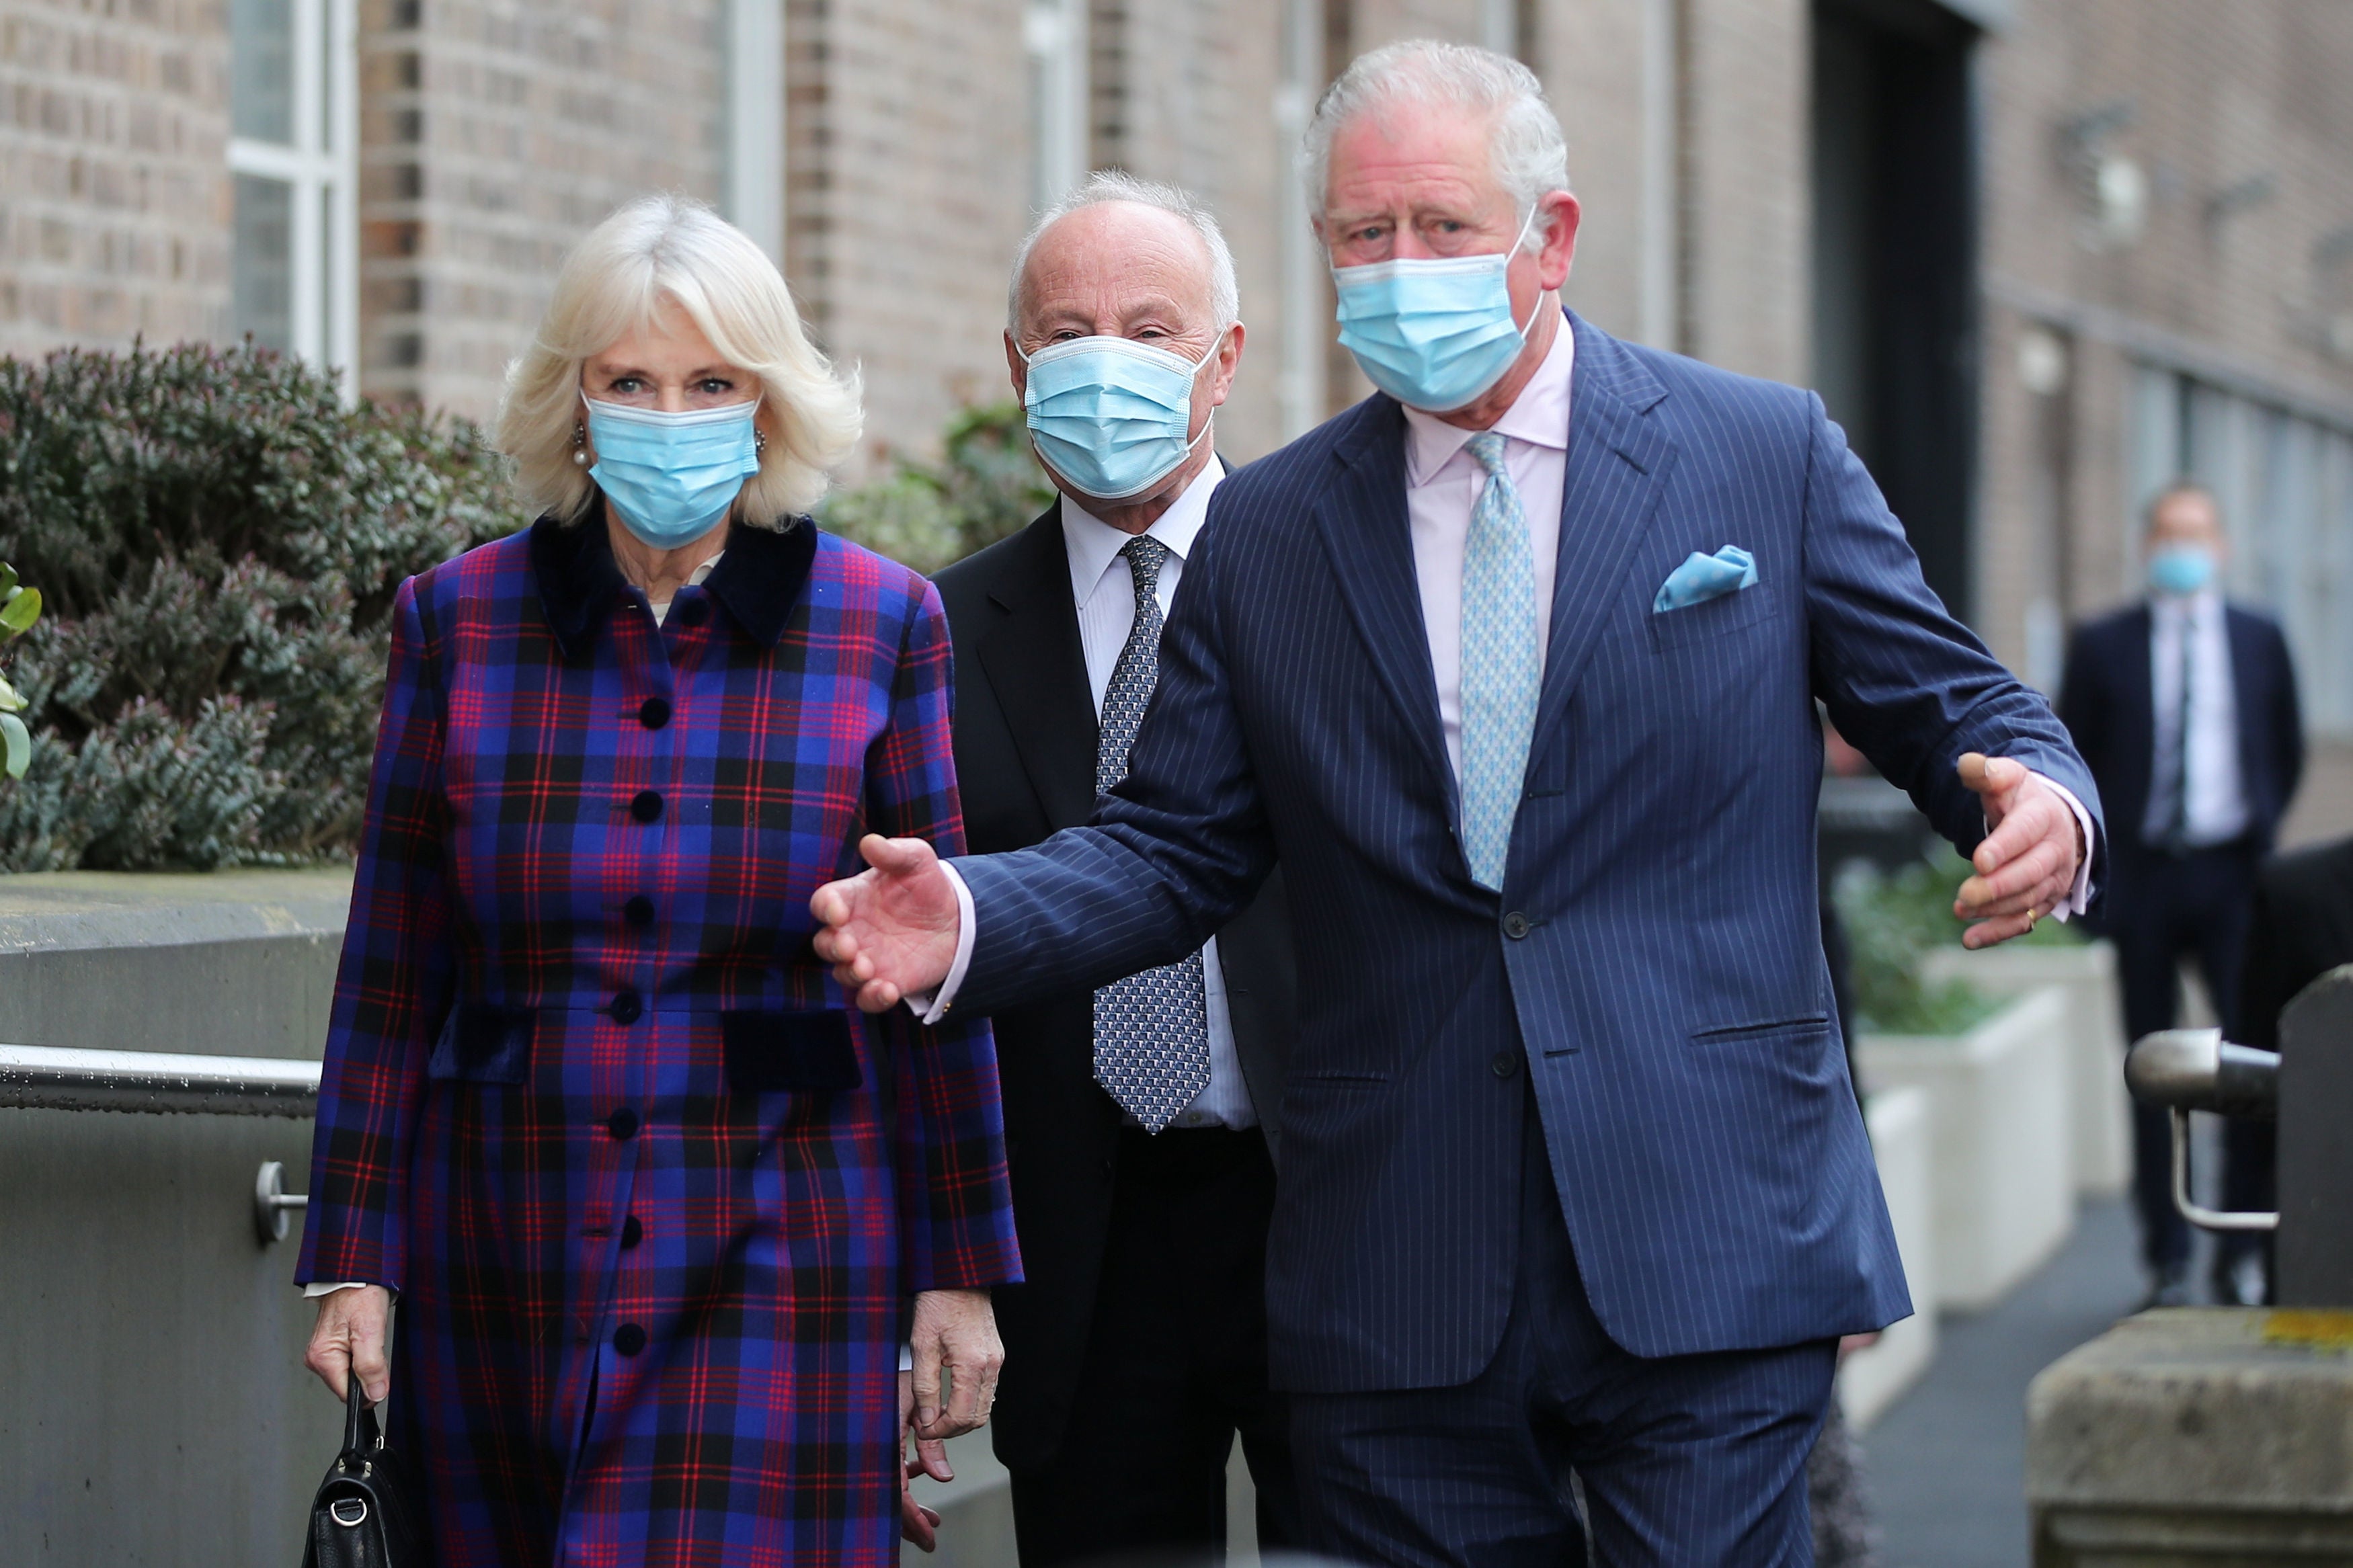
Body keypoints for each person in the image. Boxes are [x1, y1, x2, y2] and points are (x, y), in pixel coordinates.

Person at [815, 41, 2101, 1566]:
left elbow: (1960, 702)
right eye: (1367, 236)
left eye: (1441, 226)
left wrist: (2051, 802)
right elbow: (1174, 849)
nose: (1400, 265)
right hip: (1400, 1260)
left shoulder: (1760, 456)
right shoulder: (1274, 533)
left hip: (1707, 1214)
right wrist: (970, 911)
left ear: (1549, 240)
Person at [294, 194, 1021, 1567]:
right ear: (574, 402)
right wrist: (351, 1248)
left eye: (708, 383)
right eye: (628, 380)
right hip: (504, 1232)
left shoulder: (880, 622)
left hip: (782, 1242)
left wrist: (959, 1267)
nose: (666, 412)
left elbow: (939, 974)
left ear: (767, 404)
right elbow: (391, 970)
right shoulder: (455, 621)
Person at [932, 169, 1304, 1566]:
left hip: (1311, 1202)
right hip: (1074, 1240)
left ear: (1226, 359)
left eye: (1149, 330)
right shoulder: (938, 628)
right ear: (1018, 366)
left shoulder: (1333, 583)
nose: (1106, 364)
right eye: (1068, 331)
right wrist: (940, 1260)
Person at [2059, 481, 2302, 1306]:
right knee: (2150, 1065)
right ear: (2144, 544)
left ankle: (2237, 1245)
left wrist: (2258, 828)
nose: (2181, 546)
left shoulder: (2259, 638)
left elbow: (2285, 745)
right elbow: (2072, 749)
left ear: (2222, 546)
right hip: (2144, 877)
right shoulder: (2101, 645)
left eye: (2195, 532)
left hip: (2233, 874)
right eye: (2167, 532)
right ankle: (2162, 1257)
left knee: (2244, 1063)